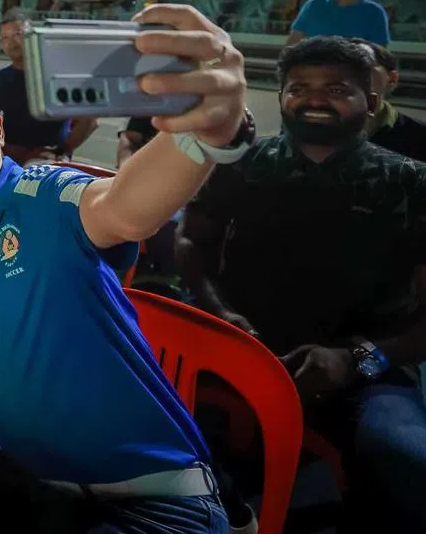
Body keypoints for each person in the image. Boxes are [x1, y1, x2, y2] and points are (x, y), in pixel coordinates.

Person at [0, 4, 251, 533]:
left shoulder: (47, 193)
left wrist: (205, 132)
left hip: (155, 496)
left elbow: (124, 208)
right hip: (36, 491)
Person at [178, 35, 426, 532]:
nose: (315, 99)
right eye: (299, 88)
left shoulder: (409, 181)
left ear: (370, 101)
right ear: (281, 97)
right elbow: (191, 245)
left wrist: (356, 360)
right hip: (238, 355)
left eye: (336, 89)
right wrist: (219, 313)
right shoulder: (243, 164)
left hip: (365, 371)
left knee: (405, 458)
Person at [0, 9, 96, 164]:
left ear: (33, 36)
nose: (12, 42)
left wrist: (62, 150)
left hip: (49, 159)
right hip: (10, 157)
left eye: (18, 34)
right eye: (5, 37)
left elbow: (90, 119)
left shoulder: (61, 75)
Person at [351, 38, 426, 161]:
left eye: (361, 68)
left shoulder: (420, 138)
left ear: (392, 79)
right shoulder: (317, 133)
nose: (346, 79)